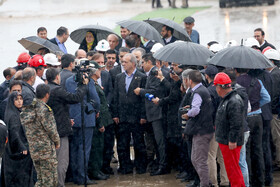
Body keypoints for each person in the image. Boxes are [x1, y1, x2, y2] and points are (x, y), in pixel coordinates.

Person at [134, 53, 170, 176]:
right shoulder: (150, 74)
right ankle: (160, 163)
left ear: (149, 62)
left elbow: (155, 91)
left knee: (160, 141)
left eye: (143, 63)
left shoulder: (155, 73)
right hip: (152, 114)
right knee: (156, 141)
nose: (142, 65)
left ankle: (163, 165)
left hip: (157, 113)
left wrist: (141, 91)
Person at [112, 53, 147, 174]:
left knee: (139, 143)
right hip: (122, 116)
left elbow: (144, 99)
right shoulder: (119, 77)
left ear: (133, 63)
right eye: (122, 62)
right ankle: (125, 167)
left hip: (137, 117)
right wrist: (115, 114)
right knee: (122, 143)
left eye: (125, 62)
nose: (123, 64)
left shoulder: (141, 77)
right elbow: (115, 96)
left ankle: (140, 167)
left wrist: (143, 115)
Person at [20, 84, 60, 187]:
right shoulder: (44, 109)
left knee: (40, 179)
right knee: (50, 180)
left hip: (34, 149)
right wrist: (57, 142)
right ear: (47, 95)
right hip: (46, 150)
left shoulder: (29, 108)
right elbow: (51, 129)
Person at [66, 66, 100, 185]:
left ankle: (75, 175)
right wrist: (97, 109)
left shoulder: (68, 80)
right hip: (86, 117)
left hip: (73, 118)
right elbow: (95, 99)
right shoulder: (88, 81)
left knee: (74, 148)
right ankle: (82, 177)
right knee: (84, 149)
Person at [182, 70, 214, 187]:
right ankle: (206, 182)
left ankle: (205, 184)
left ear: (190, 81)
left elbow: (196, 111)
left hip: (201, 130)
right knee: (195, 159)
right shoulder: (203, 90)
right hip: (204, 129)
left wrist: (188, 114)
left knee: (199, 160)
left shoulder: (197, 92)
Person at [214, 72, 245, 187]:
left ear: (220, 87)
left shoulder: (233, 101)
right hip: (226, 140)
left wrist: (232, 140)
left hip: (229, 141)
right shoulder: (228, 99)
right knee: (232, 169)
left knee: (233, 170)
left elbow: (236, 123)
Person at [2, 92, 35, 187]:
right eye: (17, 99)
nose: (20, 101)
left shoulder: (15, 112)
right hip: (18, 152)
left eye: (21, 99)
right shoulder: (13, 116)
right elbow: (14, 133)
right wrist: (22, 147)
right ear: (12, 102)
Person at [205, 66, 229, 187]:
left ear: (207, 76)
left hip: (213, 127)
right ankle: (225, 181)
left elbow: (209, 111)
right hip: (224, 126)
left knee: (211, 156)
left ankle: (213, 183)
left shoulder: (209, 91)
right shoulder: (227, 90)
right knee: (223, 156)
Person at [88, 62, 113, 180]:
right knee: (96, 147)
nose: (101, 71)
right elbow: (95, 106)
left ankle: (98, 169)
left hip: (102, 119)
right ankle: (95, 171)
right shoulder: (91, 84)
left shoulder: (95, 84)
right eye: (99, 69)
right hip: (98, 120)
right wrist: (100, 123)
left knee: (100, 146)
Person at [264, 49, 280, 173]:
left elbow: (274, 95)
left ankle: (278, 161)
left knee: (276, 138)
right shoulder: (276, 73)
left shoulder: (274, 75)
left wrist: (271, 109)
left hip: (275, 112)